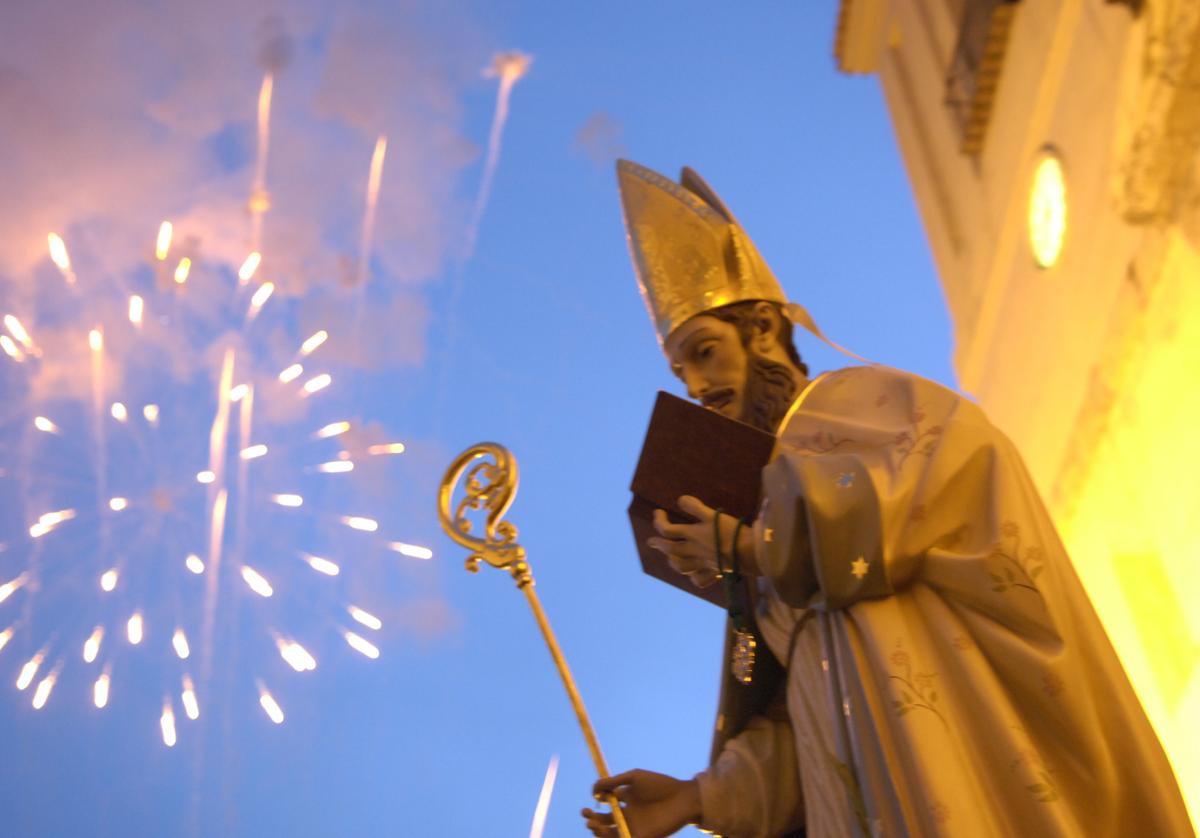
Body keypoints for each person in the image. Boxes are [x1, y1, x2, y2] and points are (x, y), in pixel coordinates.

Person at [580, 160, 1194, 837]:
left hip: (950, 771)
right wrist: (699, 797)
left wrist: (752, 547)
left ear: (761, 330)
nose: (697, 386)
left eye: (704, 352)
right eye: (680, 370)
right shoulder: (766, 505)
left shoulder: (865, 407)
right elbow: (803, 715)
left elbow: (945, 479)